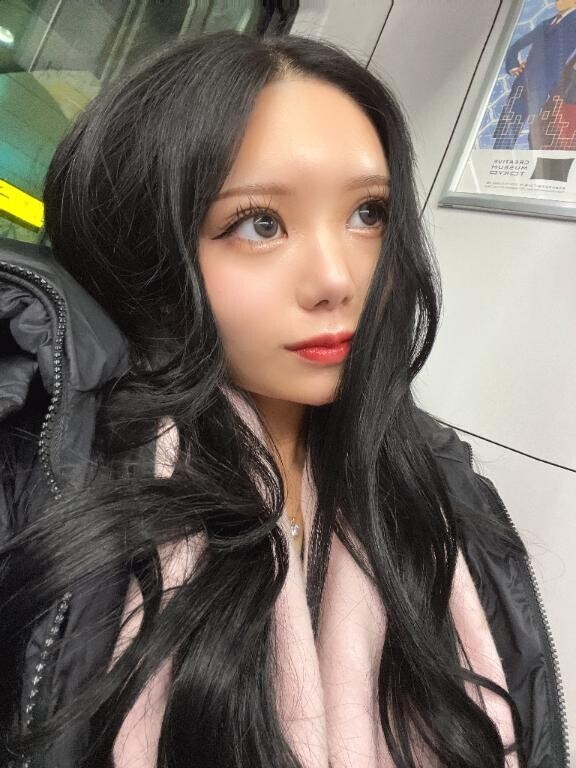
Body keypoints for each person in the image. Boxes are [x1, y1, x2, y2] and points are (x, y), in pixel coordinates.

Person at [0, 29, 566, 768]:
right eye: (260, 223)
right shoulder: (53, 482)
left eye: (368, 214)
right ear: (148, 246)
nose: (337, 279)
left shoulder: (440, 490)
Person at [493, 0, 576, 149]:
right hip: (523, 83)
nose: (558, 1)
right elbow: (516, 45)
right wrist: (513, 65)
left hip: (547, 89)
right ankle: (498, 152)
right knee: (508, 126)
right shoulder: (547, 23)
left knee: (540, 134)